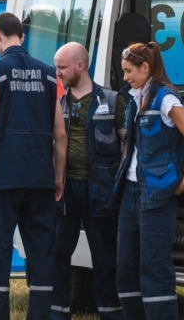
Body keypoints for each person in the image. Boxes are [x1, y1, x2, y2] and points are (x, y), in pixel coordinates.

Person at [0, 12, 67, 320]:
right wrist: (58, 175)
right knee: (41, 254)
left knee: (0, 251)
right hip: (40, 178)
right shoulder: (50, 74)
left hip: (2, 179)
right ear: (21, 36)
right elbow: (60, 132)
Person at [108, 42, 184, 320]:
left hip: (156, 195)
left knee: (153, 267)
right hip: (130, 191)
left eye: (128, 71)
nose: (124, 77)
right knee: (125, 267)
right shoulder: (136, 97)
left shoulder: (166, 99)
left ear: (145, 68)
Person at [50, 42, 126, 320]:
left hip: (101, 190)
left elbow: (126, 141)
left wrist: (119, 180)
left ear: (80, 66)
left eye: (61, 67)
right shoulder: (56, 101)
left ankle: (112, 313)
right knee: (58, 252)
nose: (57, 72)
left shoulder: (112, 99)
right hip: (65, 189)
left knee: (105, 258)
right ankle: (57, 314)